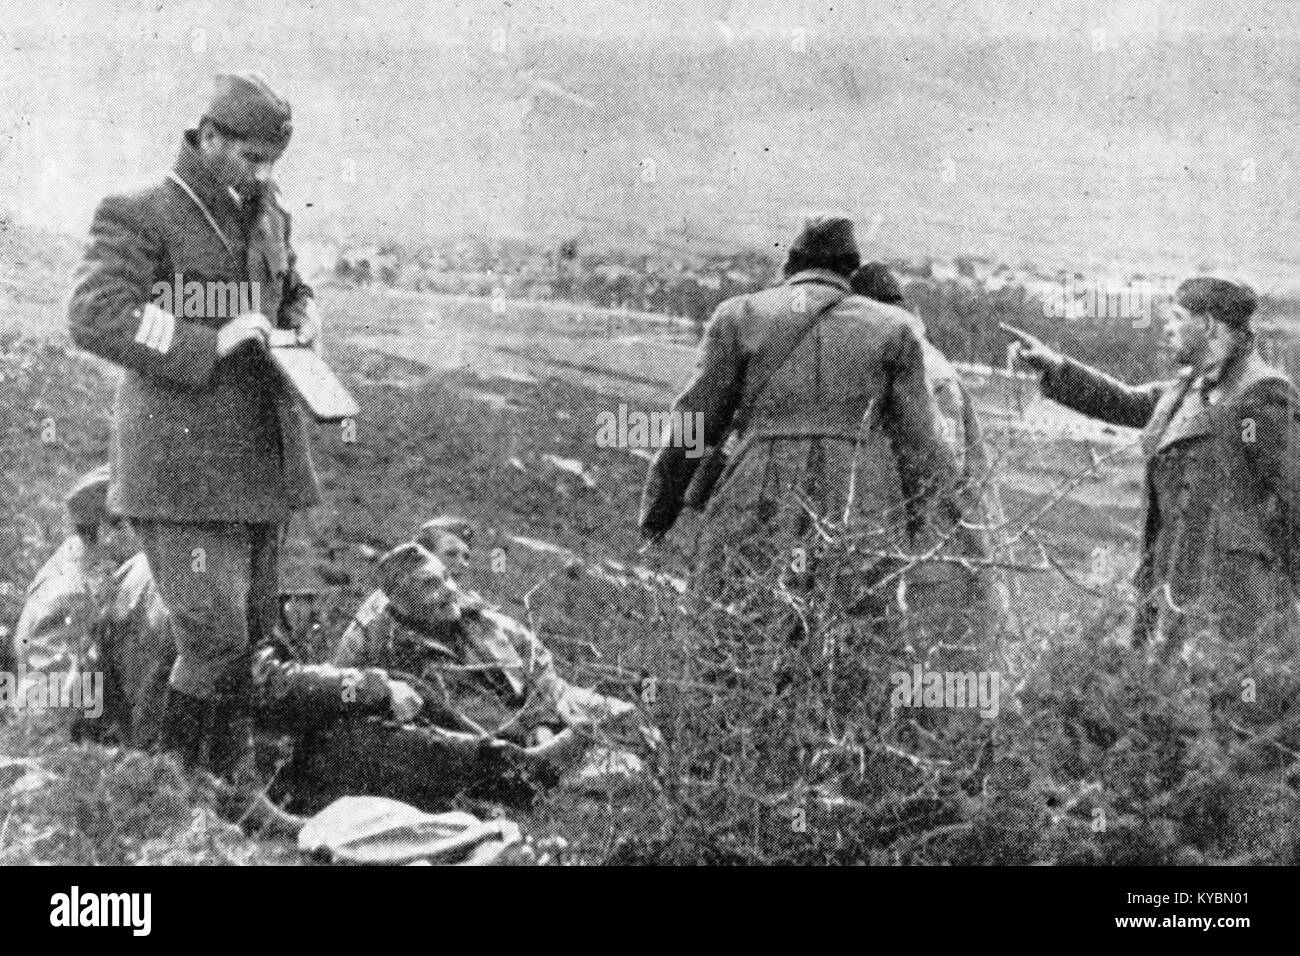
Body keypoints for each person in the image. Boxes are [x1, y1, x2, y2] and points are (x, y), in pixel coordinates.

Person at [68, 73, 325, 784]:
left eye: (273, 160)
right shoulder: (140, 212)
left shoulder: (268, 212)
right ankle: (171, 790)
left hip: (260, 462)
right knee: (211, 637)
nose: (264, 173)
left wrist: (303, 312)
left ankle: (236, 790)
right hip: (178, 469)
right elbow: (97, 311)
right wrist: (204, 340)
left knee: (248, 639)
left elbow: (291, 284)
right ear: (208, 137)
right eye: (250, 156)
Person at [638, 217, 972, 635]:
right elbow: (926, 451)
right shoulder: (894, 329)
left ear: (791, 264)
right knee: (848, 647)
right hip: (855, 507)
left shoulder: (739, 316)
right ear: (851, 271)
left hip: (755, 497)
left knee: (733, 633)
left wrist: (658, 513)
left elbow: (693, 427)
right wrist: (921, 528)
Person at [1007, 276, 1300, 654]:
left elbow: (1294, 495)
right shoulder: (1189, 390)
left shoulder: (1261, 398)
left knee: (1223, 704)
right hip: (1175, 586)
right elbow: (1125, 402)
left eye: (1178, 317)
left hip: (1235, 605)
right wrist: (1056, 367)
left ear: (1208, 326)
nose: (1168, 326)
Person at [850, 262, 1004, 643]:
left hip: (942, 558)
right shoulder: (905, 359)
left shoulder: (924, 369)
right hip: (934, 555)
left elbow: (943, 470)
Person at [9, 466, 137, 735]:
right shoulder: (71, 596)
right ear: (105, 532)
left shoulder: (70, 559)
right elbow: (45, 705)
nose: (145, 537)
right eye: (136, 525)